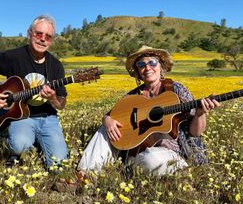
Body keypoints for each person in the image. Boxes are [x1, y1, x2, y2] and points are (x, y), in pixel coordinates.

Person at [77, 45, 220, 176]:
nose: (147, 68)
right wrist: (107, 120)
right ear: (138, 72)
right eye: (141, 65)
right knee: (106, 128)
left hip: (167, 154)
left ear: (161, 66)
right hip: (137, 151)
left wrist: (200, 114)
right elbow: (112, 114)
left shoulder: (176, 90)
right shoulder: (133, 96)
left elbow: (195, 133)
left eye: (152, 62)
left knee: (151, 159)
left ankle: (137, 168)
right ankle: (85, 173)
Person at [0, 14, 69, 168]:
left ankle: (38, 145)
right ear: (29, 33)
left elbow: (61, 104)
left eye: (48, 36)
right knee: (19, 145)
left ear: (52, 40)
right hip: (21, 117)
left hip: (48, 118)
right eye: (38, 33)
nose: (43, 39)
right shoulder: (12, 57)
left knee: (60, 165)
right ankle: (14, 144)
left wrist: (52, 98)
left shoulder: (56, 66)